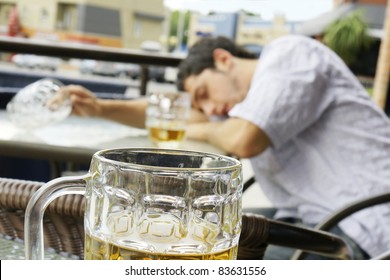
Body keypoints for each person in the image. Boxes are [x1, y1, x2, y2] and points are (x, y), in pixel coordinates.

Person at [65, 35, 390, 259]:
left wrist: (197, 126)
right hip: (313, 220)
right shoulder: (240, 105)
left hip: (364, 227)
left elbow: (242, 140)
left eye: (204, 92)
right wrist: (101, 107)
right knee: (171, 236)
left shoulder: (290, 55)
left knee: (185, 257)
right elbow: (176, 112)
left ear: (223, 60)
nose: (208, 109)